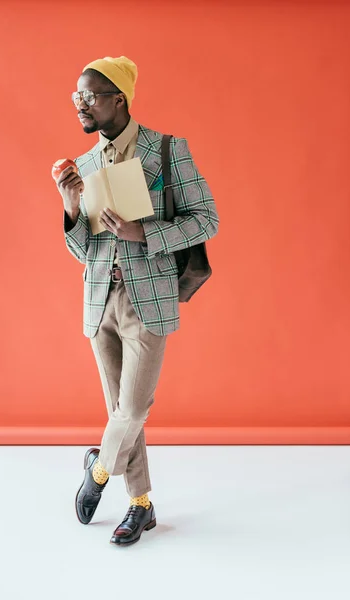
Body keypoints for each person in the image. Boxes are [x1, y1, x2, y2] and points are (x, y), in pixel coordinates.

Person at [54, 55, 219, 547]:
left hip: (149, 297)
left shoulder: (166, 151)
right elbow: (83, 250)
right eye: (76, 96)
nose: (80, 105)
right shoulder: (82, 165)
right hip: (99, 299)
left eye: (89, 96)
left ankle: (98, 470)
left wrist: (144, 233)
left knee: (132, 408)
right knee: (120, 411)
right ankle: (141, 505)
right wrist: (69, 208)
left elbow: (206, 219)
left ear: (118, 99)